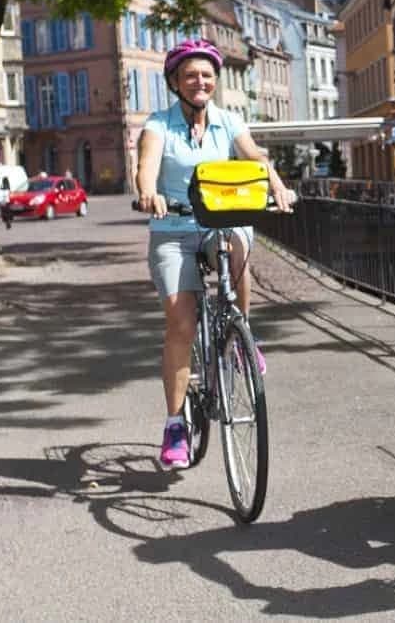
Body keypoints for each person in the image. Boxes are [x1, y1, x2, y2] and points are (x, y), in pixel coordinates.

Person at [135, 38, 295, 469]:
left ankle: (241, 332)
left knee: (234, 239)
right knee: (180, 324)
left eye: (207, 75)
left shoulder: (228, 120)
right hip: (173, 228)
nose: (200, 81)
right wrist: (149, 193)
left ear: (215, 81)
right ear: (175, 82)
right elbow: (146, 166)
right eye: (190, 75)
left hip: (218, 222)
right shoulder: (158, 125)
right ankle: (174, 426)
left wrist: (276, 184)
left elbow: (255, 156)